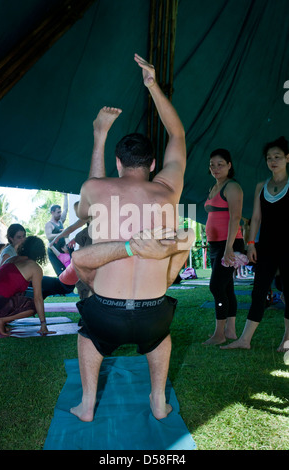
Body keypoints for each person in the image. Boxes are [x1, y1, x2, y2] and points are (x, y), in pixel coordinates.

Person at [69, 53, 191, 422]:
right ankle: (158, 400)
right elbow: (177, 134)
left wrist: (99, 135)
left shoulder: (96, 187)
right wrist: (152, 85)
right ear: (153, 165)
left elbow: (87, 209)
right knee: (159, 339)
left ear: (119, 163)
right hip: (155, 314)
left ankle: (87, 404)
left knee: (89, 335)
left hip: (106, 312)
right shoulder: (168, 190)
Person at [222, 136, 289, 352]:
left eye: (278, 156)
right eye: (269, 157)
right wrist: (250, 243)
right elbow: (256, 219)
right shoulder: (262, 186)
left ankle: (287, 341)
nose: (273, 161)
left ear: (287, 158)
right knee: (258, 291)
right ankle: (244, 340)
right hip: (266, 246)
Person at [203, 149, 244, 345]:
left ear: (229, 165)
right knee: (227, 287)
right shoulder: (213, 187)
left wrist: (229, 248)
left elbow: (236, 217)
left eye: (220, 164)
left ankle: (219, 334)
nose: (215, 168)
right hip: (215, 244)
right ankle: (231, 331)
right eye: (212, 164)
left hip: (229, 243)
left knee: (216, 286)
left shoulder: (232, 187)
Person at [0, 236, 56, 336]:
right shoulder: (35, 267)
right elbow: (38, 298)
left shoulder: (11, 259)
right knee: (33, 304)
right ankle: (1, 320)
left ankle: (0, 320)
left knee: (24, 294)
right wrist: (43, 324)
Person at [45, 194, 68, 275]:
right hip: (54, 253)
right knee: (61, 273)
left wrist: (65, 196)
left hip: (62, 250)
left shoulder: (61, 221)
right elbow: (49, 236)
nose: (60, 214)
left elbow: (65, 209)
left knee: (68, 269)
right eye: (58, 212)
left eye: (60, 212)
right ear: (52, 212)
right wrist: (62, 233)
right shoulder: (49, 224)